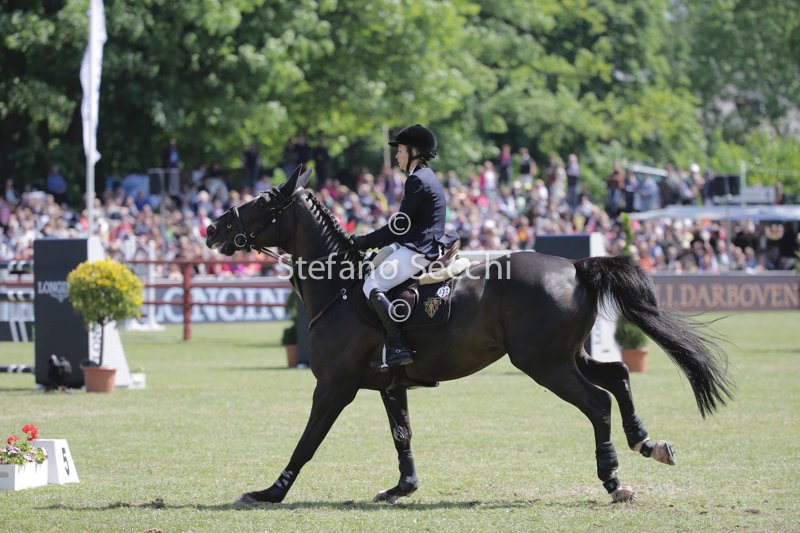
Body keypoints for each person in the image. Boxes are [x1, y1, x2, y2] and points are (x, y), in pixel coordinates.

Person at [350, 124, 454, 370]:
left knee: (372, 285)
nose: (397, 156)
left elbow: (399, 226)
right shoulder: (426, 177)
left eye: (400, 150)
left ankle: (398, 346)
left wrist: (363, 241)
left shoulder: (417, 180)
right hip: (419, 244)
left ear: (414, 152)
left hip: (420, 250)